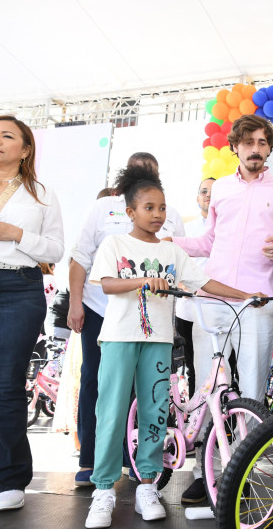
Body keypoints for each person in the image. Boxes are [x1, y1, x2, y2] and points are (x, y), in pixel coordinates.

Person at [83, 164, 264, 529]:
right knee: (113, 412)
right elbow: (105, 284)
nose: (157, 214)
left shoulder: (172, 251)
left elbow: (204, 282)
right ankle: (103, 489)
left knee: (155, 414)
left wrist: (245, 294)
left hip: (159, 340)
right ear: (130, 212)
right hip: (119, 338)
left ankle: (147, 486)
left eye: (162, 207)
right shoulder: (115, 243)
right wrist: (142, 281)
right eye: (149, 207)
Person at [171, 114, 273, 502]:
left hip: (257, 302)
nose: (255, 149)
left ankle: (244, 466)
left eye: (262, 142)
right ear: (235, 147)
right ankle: (201, 469)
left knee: (253, 387)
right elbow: (208, 240)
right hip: (212, 300)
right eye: (248, 143)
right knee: (208, 386)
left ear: (269, 147)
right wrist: (169, 242)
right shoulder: (221, 188)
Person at [68, 152, 185, 487]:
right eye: (138, 172)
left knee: (147, 395)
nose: (156, 213)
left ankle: (136, 462)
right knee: (98, 385)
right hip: (103, 313)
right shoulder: (102, 208)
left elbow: (179, 266)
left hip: (151, 323)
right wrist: (76, 303)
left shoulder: (171, 214)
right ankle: (92, 461)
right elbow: (79, 258)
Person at [0, 115, 64, 512]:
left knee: (3, 385)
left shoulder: (40, 193)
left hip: (19, 290)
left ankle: (9, 479)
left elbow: (54, 251)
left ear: (25, 149)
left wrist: (15, 234)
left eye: (7, 135)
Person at [174, 176, 214, 407]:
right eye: (203, 191)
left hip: (221, 305)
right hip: (189, 308)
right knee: (192, 365)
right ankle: (195, 420)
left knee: (224, 364)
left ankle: (223, 426)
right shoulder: (186, 229)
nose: (208, 195)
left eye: (213, 191)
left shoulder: (230, 229)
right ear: (197, 197)